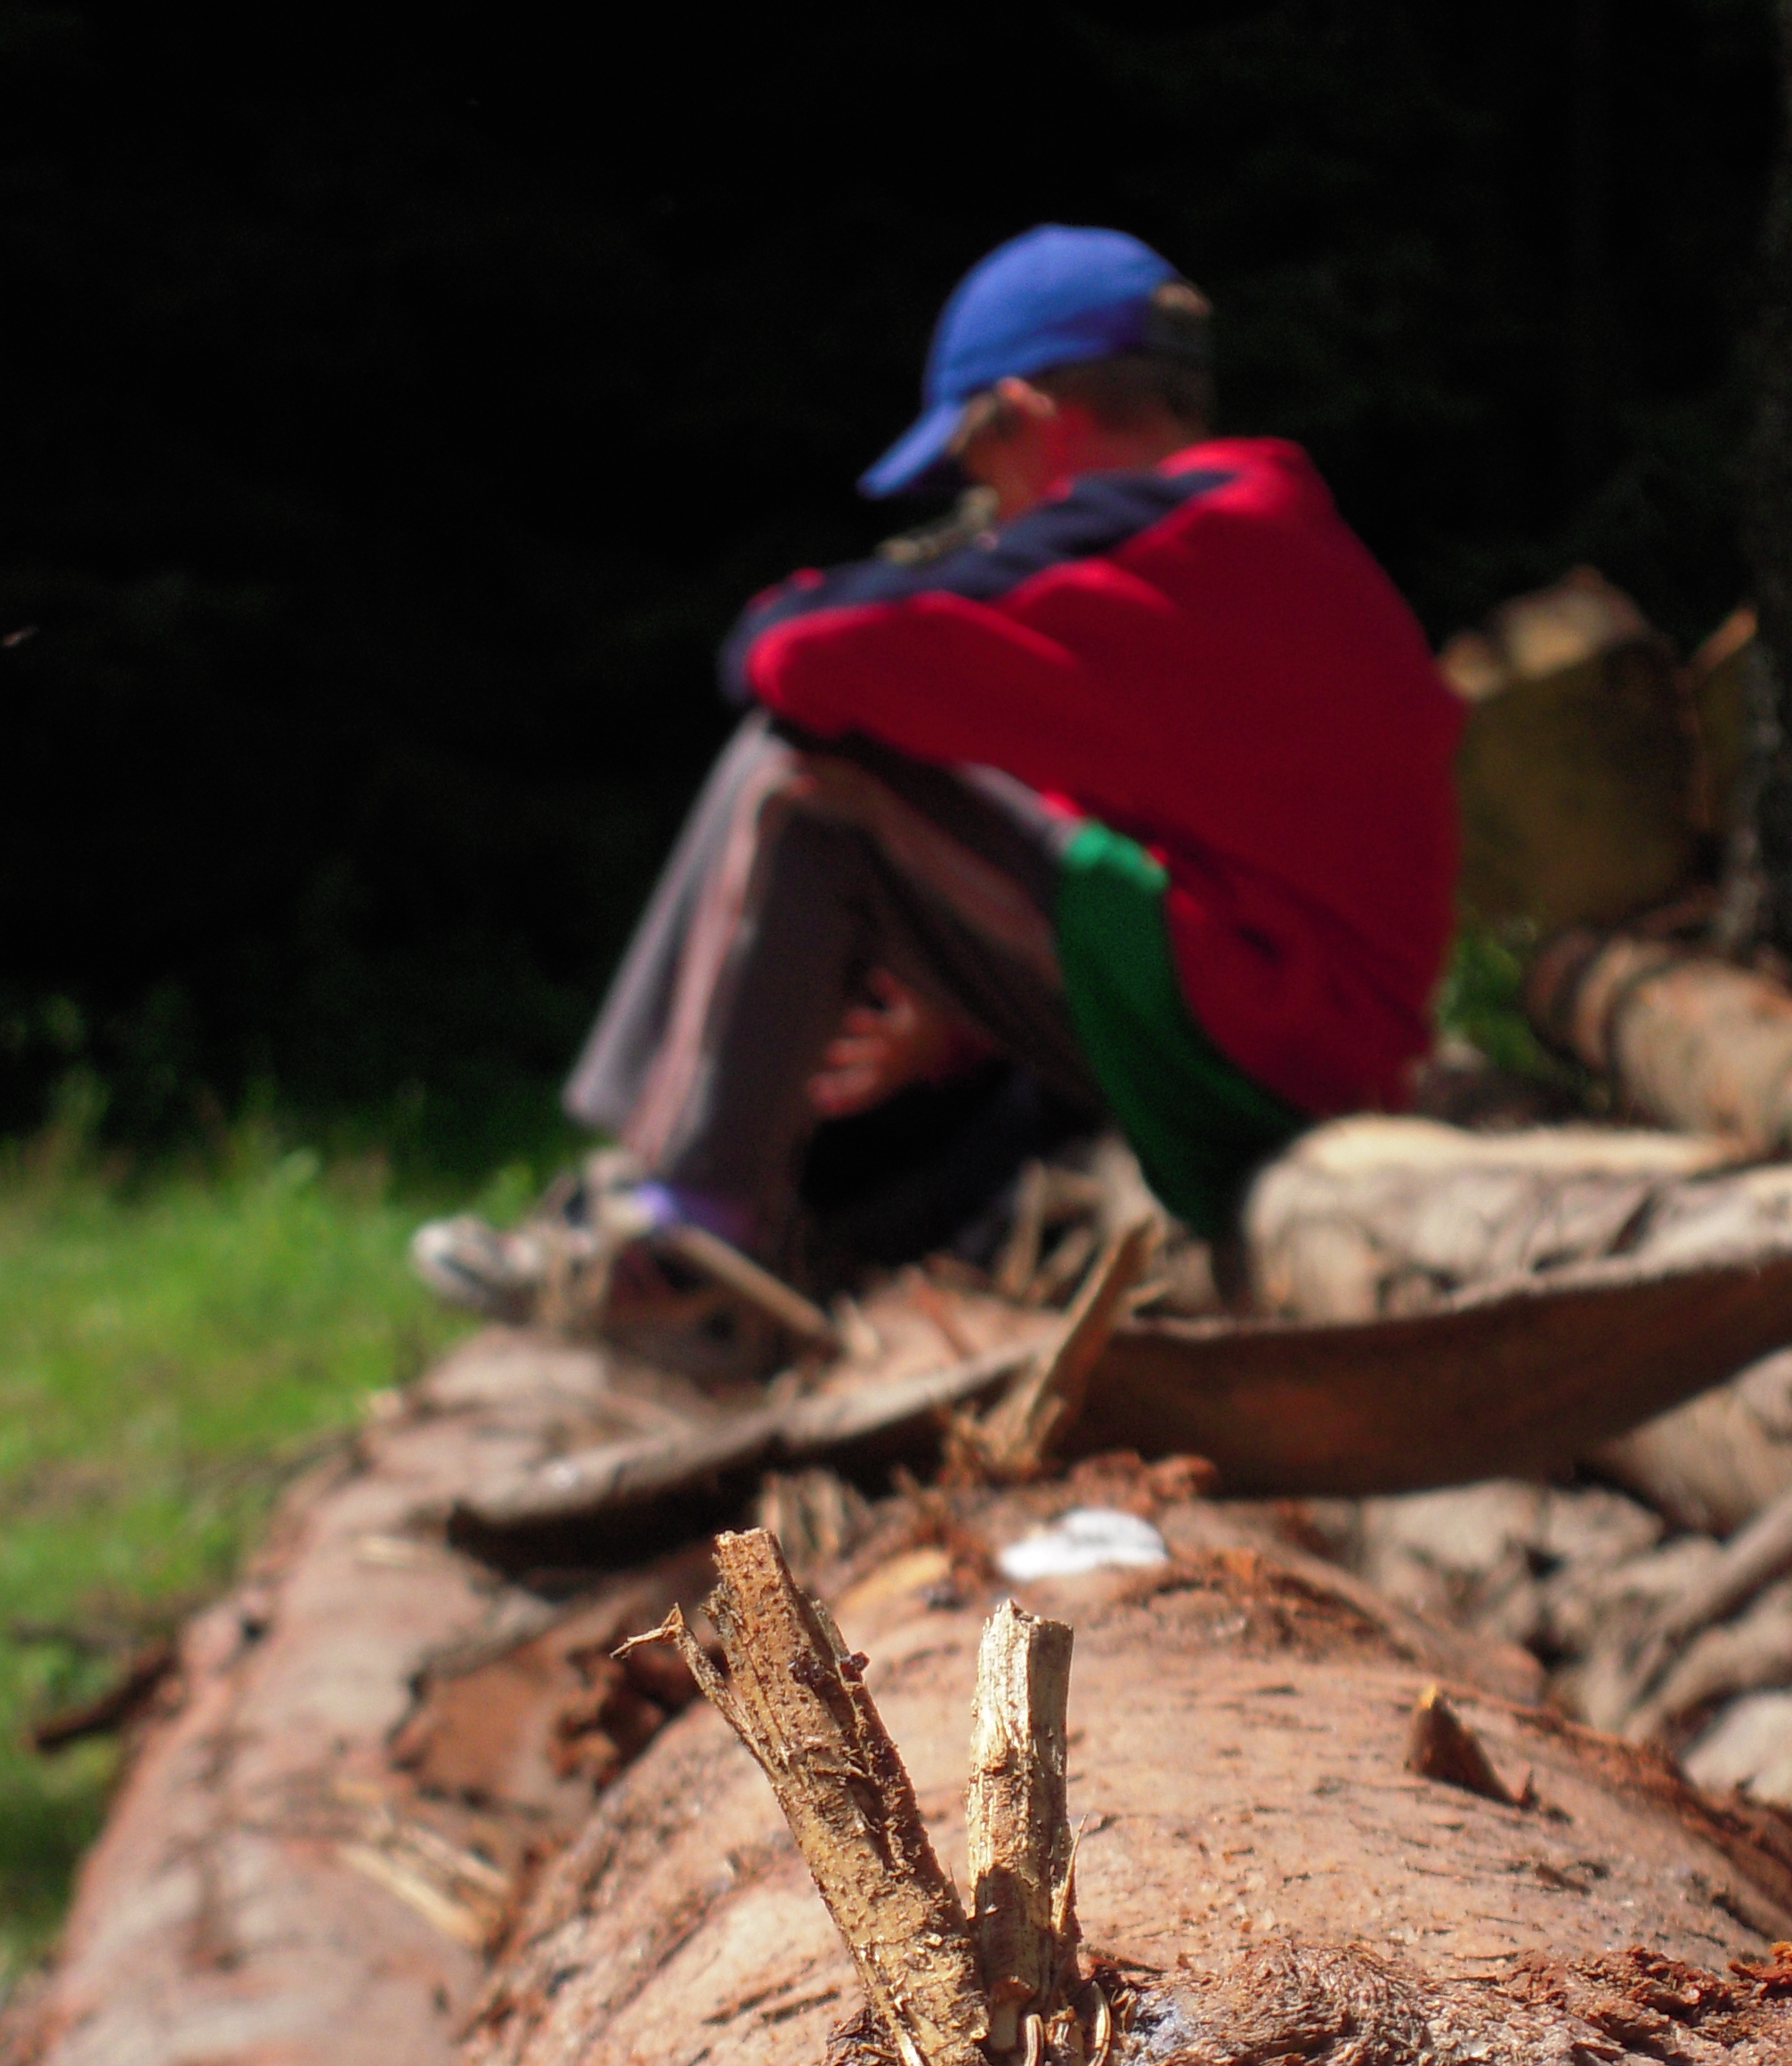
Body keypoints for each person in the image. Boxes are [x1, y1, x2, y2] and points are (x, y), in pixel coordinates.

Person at [415, 222, 1464, 1329]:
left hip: (1267, 1050)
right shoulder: (1268, 534)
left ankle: (685, 1242)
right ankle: (700, 1213)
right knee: (867, 798)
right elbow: (1151, 822)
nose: (981, 499)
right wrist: (957, 1009)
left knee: (804, 774)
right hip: (1303, 1036)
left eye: (971, 462)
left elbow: (788, 651)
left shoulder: (1145, 535)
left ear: (1025, 417)